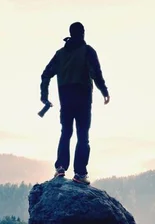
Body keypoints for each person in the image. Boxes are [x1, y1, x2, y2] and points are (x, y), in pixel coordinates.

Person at [40, 22, 110, 185]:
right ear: (82, 33)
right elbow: (96, 73)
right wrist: (104, 91)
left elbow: (45, 74)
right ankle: (80, 173)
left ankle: (61, 168)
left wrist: (44, 96)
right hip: (83, 98)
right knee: (83, 136)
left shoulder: (60, 54)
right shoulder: (87, 51)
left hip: (66, 98)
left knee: (66, 132)